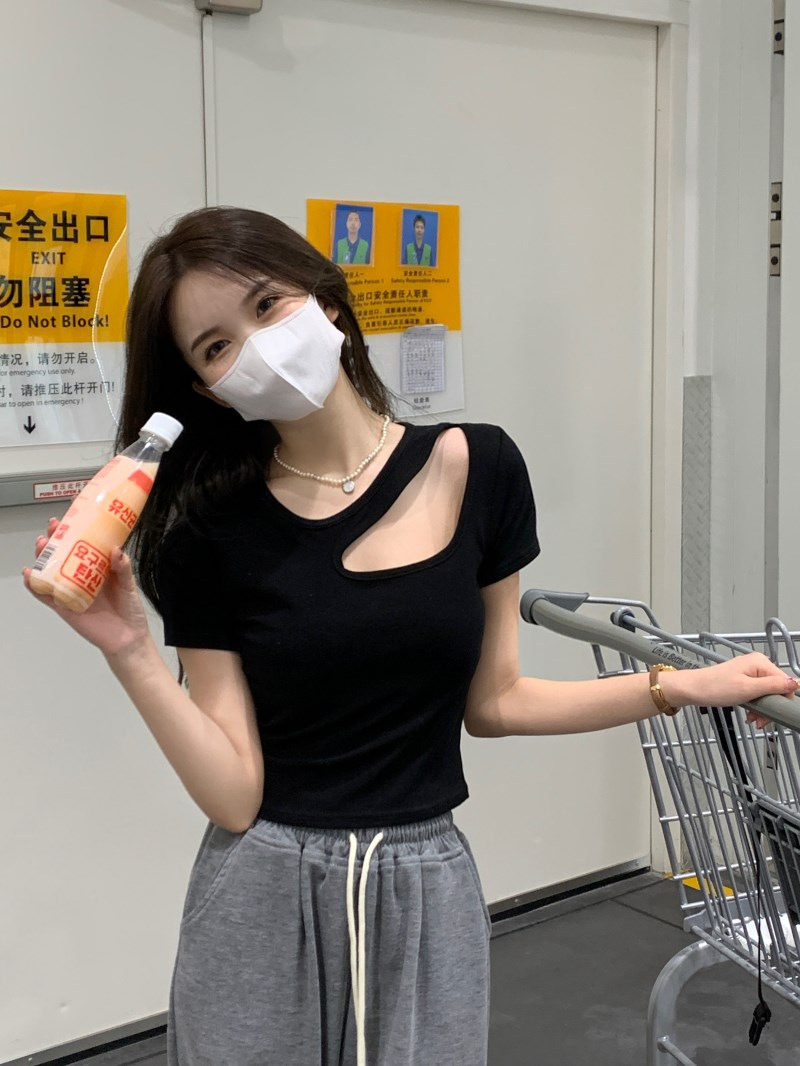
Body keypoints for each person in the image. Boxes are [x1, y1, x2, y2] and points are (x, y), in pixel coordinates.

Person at [23, 205, 798, 1066]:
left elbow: (497, 702)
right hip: (262, 895)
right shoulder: (210, 529)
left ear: (326, 298)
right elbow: (235, 796)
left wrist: (680, 685)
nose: (256, 347)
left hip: (424, 886)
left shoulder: (481, 467)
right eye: (216, 347)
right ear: (209, 390)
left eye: (267, 305)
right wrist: (130, 649)